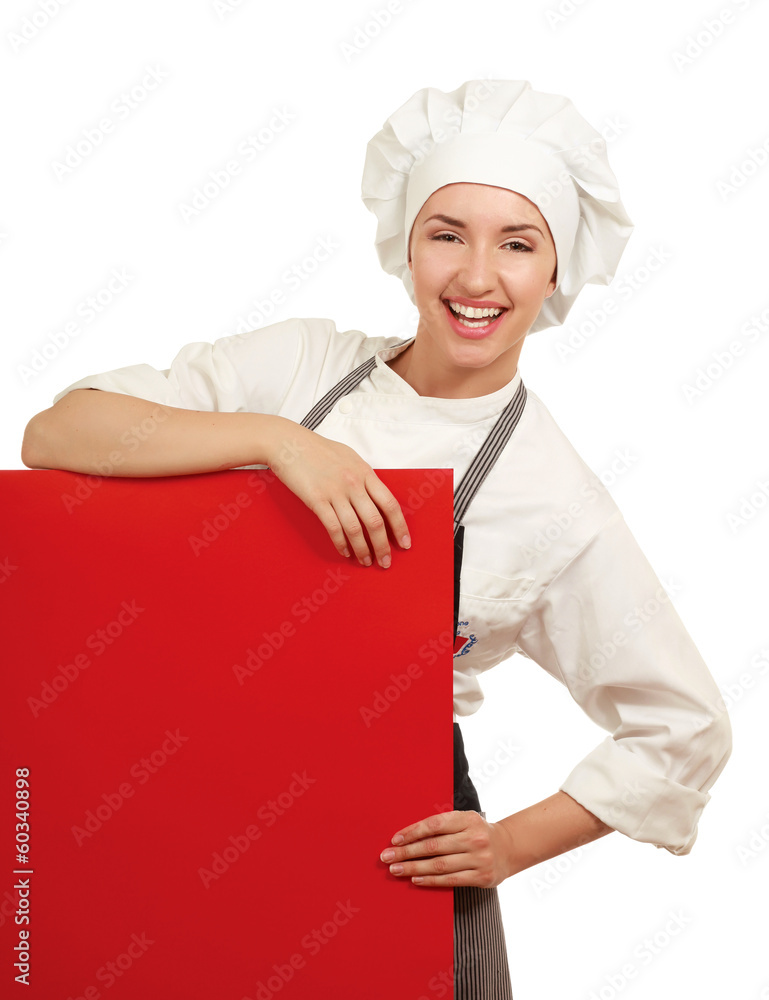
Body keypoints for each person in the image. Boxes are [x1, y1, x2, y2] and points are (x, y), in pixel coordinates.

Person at [21, 80, 733, 998]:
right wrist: (280, 442)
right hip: (190, 794)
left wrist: (510, 844)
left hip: (394, 847)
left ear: (556, 271)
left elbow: (683, 724)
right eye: (447, 235)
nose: (476, 277)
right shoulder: (299, 368)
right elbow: (60, 432)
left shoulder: (555, 495)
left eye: (517, 244)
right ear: (405, 245)